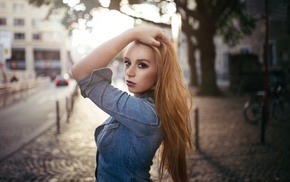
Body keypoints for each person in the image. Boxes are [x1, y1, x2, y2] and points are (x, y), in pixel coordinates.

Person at [71, 27, 193, 182]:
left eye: (142, 65)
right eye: (127, 62)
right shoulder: (141, 107)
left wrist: (132, 33)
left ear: (160, 73)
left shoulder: (145, 114)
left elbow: (80, 72)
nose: (129, 72)